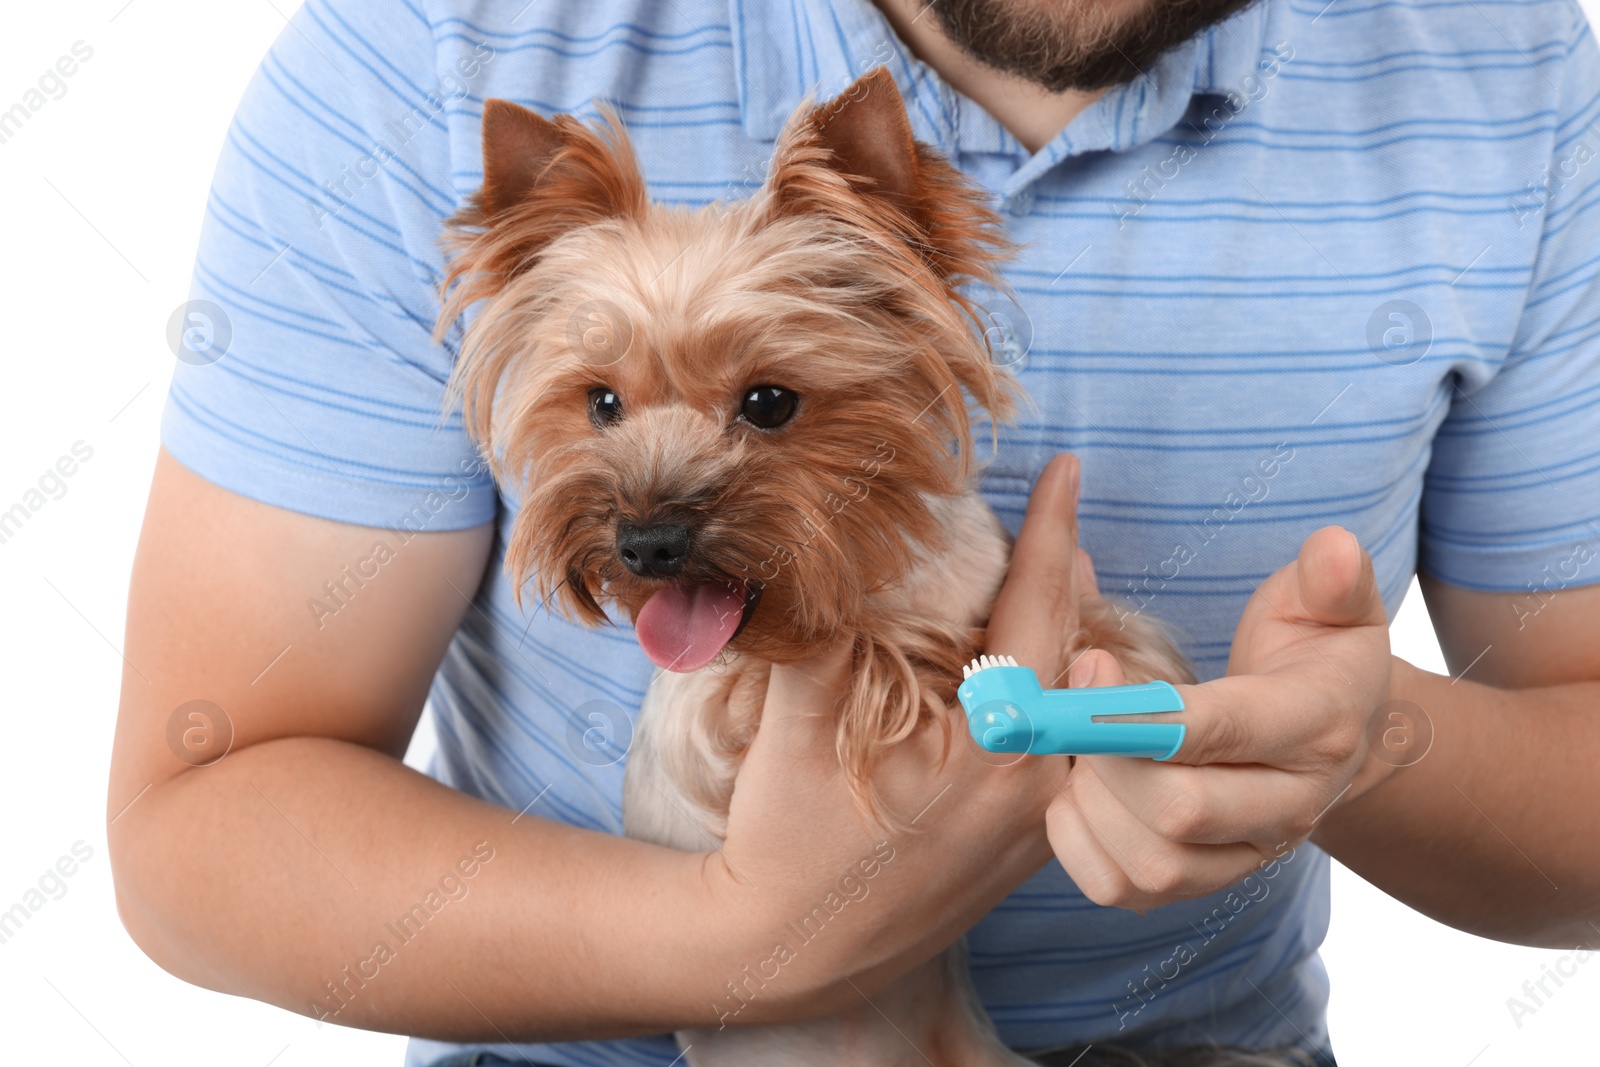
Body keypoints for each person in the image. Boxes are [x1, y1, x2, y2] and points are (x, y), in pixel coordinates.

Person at [108, 0, 1600, 1064]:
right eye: (606, 406)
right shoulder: (432, 47)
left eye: (767, 405)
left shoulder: (1520, 71)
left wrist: (1353, 740)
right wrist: (745, 933)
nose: (659, 502)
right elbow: (201, 819)